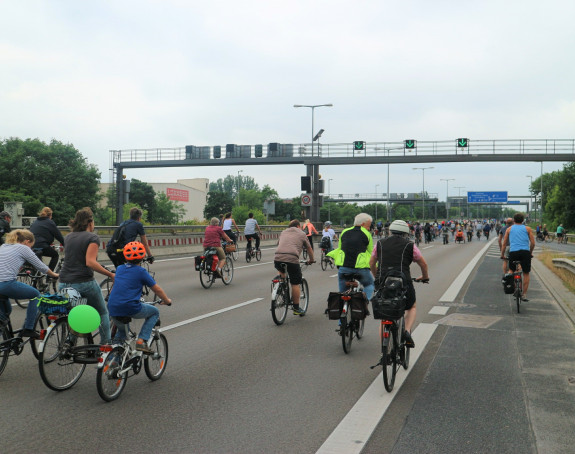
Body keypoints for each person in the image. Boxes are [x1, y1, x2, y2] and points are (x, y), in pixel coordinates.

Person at [369, 220, 429, 348]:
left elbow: (371, 263)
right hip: (403, 282)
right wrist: (425, 277)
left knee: (384, 315)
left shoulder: (379, 244)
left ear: (390, 230)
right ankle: (406, 331)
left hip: (383, 282)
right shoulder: (410, 245)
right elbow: (423, 264)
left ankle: (384, 350)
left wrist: (377, 278)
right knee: (411, 306)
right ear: (406, 233)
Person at [58, 208, 115, 343]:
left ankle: (70, 342)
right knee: (103, 312)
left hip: (64, 282)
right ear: (90, 222)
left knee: (77, 312)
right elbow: (90, 262)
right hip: (83, 282)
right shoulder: (92, 237)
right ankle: (105, 346)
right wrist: (110, 274)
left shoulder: (68, 237)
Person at [107, 241, 172, 352]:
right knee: (154, 312)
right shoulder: (141, 271)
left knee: (121, 334)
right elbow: (156, 289)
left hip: (112, 307)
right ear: (143, 257)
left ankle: (112, 363)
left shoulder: (120, 269)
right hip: (130, 307)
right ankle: (141, 341)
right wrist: (167, 300)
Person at [0, 230, 59, 338]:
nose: (30, 249)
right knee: (35, 295)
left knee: (6, 311)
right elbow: (40, 266)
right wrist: (54, 274)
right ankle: (28, 328)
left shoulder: (4, 246)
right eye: (31, 246)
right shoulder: (23, 248)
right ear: (27, 241)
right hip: (6, 284)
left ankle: (5, 342)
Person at [327, 213, 375, 301]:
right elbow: (371, 253)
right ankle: (363, 303)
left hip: (344, 268)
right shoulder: (367, 234)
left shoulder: (344, 232)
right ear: (363, 224)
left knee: (342, 293)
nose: (369, 228)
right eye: (368, 226)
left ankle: (342, 306)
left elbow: (340, 248)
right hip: (361, 268)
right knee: (369, 284)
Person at [273, 219, 314, 315]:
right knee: (295, 283)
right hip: (292, 259)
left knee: (281, 269)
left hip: (278, 257)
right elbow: (309, 248)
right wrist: (311, 259)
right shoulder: (302, 233)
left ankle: (280, 285)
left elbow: (279, 244)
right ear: (298, 226)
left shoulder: (283, 232)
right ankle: (296, 308)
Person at [500, 213, 535, 301]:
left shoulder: (509, 229)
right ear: (523, 220)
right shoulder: (527, 229)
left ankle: (512, 287)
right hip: (525, 253)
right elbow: (533, 243)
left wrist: (502, 254)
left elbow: (504, 244)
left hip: (513, 252)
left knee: (511, 270)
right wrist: (530, 252)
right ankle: (524, 294)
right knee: (526, 273)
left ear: (514, 221)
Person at [29, 207, 66, 271]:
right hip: (42, 246)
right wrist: (66, 245)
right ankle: (50, 275)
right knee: (55, 255)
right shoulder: (50, 222)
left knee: (38, 264)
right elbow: (58, 236)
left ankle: (36, 277)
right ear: (50, 215)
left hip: (31, 245)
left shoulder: (35, 222)